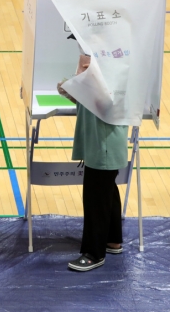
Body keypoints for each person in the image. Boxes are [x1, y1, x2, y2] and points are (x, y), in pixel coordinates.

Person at [58, 34, 127, 272]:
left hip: (104, 143)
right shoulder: (98, 65)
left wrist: (84, 81)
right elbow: (87, 100)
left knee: (95, 197)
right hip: (100, 141)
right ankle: (113, 240)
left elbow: (106, 103)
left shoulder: (108, 69)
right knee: (108, 190)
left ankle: (93, 253)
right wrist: (73, 88)